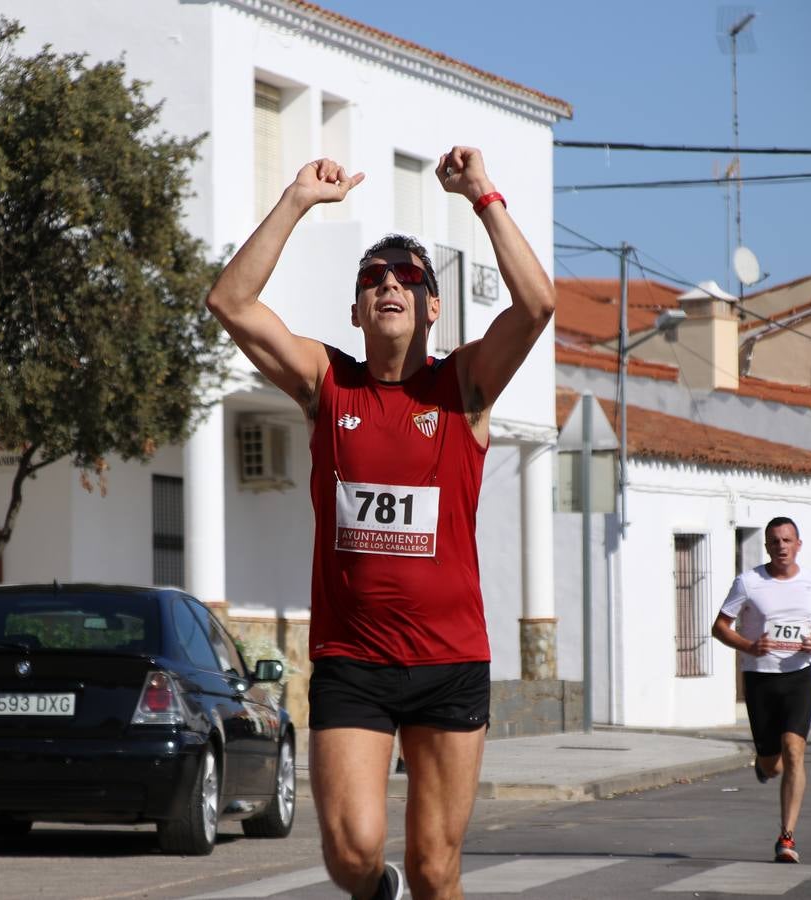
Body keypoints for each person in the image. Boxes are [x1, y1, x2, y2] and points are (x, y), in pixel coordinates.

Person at [206, 147, 554, 899]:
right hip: (351, 661)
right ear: (357, 311)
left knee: (438, 868)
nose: (390, 281)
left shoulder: (463, 386)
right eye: (373, 279)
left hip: (448, 662)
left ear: (433, 307)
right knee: (349, 850)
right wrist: (297, 200)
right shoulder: (326, 383)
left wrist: (483, 196)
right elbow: (230, 304)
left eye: (408, 277)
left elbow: (536, 307)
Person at [710, 517, 811, 865]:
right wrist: (749, 646)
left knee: (794, 750)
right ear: (766, 547)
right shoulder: (749, 582)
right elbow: (720, 627)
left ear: (798, 544)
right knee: (773, 763)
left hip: (799, 677)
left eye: (787, 540)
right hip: (760, 680)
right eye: (774, 541)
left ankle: (786, 836)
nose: (781, 546)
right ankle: (766, 766)